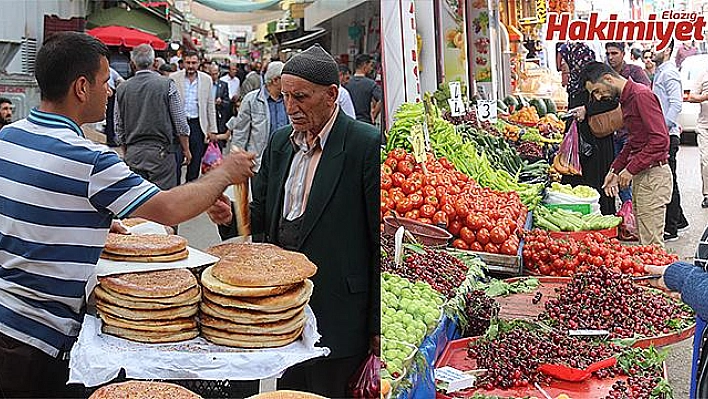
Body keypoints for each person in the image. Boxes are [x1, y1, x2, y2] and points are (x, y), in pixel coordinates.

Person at [0, 32, 255, 398]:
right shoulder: (89, 160)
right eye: (106, 82)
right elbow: (168, 207)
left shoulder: (10, 137)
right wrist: (224, 174)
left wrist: (94, 221)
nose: (111, 90)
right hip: (41, 339)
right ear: (82, 87)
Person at [207, 44, 380, 397]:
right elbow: (265, 215)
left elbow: (378, 240)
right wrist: (231, 216)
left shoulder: (365, 144)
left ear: (332, 94)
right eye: (285, 97)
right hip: (284, 308)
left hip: (340, 311)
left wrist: (377, 324)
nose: (290, 108)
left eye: (300, 97)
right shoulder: (280, 142)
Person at [581, 61, 672, 246]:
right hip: (645, 175)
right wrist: (614, 169)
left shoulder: (640, 95)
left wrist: (630, 169)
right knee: (646, 240)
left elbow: (661, 140)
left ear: (608, 78)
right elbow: (634, 141)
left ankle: (664, 275)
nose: (598, 98)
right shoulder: (627, 99)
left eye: (598, 90)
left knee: (652, 244)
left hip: (654, 175)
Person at [114, 43, 191, 190]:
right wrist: (186, 149)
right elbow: (180, 122)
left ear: (133, 63)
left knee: (137, 202)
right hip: (161, 153)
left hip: (134, 152)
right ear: (154, 62)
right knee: (164, 201)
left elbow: (118, 127)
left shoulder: (122, 88)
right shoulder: (167, 84)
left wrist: (126, 150)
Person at [558, 42, 617, 216]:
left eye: (565, 62)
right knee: (584, 190)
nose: (563, 66)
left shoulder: (594, 78)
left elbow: (612, 100)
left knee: (597, 186)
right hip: (583, 146)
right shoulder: (576, 83)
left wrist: (587, 110)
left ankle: (603, 226)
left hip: (596, 144)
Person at [651, 41, 688, 241]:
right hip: (664, 133)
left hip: (667, 135)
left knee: (668, 180)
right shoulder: (661, 71)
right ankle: (679, 219)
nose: (650, 49)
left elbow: (675, 104)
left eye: (655, 45)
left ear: (666, 50)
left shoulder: (669, 73)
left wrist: (662, 129)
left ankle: (671, 228)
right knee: (669, 178)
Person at [227, 61, 288, 173]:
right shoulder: (252, 100)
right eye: (284, 78)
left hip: (284, 163)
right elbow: (241, 132)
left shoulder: (289, 100)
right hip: (259, 164)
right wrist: (236, 160)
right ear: (275, 80)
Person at [171, 50, 218, 182]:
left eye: (194, 63)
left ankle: (189, 192)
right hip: (178, 125)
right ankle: (175, 191)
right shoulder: (174, 78)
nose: (191, 66)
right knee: (177, 160)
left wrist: (213, 129)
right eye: (188, 63)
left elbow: (210, 105)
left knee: (195, 162)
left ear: (199, 63)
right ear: (183, 62)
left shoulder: (206, 80)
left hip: (198, 125)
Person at [688, 64, 708, 208]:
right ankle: (707, 194)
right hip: (704, 126)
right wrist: (704, 97)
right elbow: (692, 96)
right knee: (706, 160)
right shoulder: (703, 74)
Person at [346, 53, 383, 125]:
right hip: (365, 123)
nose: (371, 68)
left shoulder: (347, 84)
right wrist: (374, 115)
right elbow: (381, 99)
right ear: (365, 65)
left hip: (348, 122)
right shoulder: (371, 84)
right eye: (370, 65)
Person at [209, 64, 232, 150]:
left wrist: (221, 102)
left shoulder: (223, 85)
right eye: (211, 74)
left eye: (215, 74)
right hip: (208, 117)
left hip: (219, 117)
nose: (213, 76)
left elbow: (228, 103)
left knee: (218, 145)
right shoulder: (205, 85)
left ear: (218, 73)